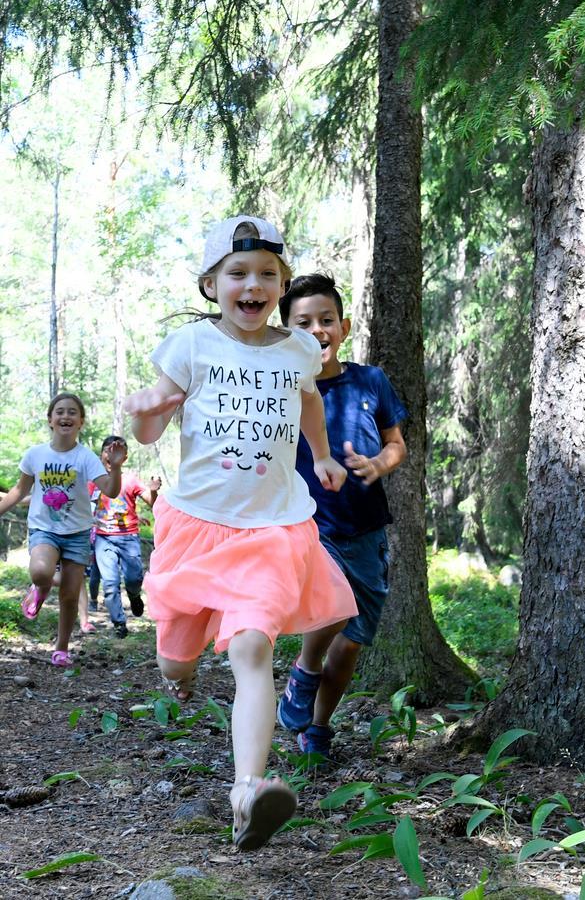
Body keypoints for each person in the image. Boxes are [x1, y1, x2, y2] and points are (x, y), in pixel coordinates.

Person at [124, 215, 358, 851]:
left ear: (280, 283)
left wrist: (325, 454)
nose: (252, 286)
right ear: (211, 283)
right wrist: (145, 415)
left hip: (272, 528)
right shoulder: (190, 347)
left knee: (253, 648)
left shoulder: (298, 350)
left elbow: (308, 399)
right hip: (197, 524)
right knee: (175, 658)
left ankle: (248, 790)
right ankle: (181, 671)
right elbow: (154, 425)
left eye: (266, 275)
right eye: (237, 274)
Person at [277, 273, 407, 757]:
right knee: (333, 605)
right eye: (303, 322)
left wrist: (379, 464)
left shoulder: (370, 381)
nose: (317, 330)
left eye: (326, 320)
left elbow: (398, 446)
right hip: (313, 525)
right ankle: (304, 670)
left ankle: (317, 727)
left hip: (367, 528)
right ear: (288, 332)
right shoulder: (285, 389)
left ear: (344, 326)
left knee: (352, 641)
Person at [0, 392, 125, 665]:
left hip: (78, 533)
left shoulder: (86, 457)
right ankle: (41, 588)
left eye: (72, 412)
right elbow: (20, 490)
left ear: (81, 421)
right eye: (60, 411)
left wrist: (115, 468)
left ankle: (62, 648)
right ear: (50, 420)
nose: (65, 416)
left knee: (70, 595)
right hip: (45, 529)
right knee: (41, 571)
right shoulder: (35, 454)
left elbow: (111, 490)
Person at [88, 436, 162, 639]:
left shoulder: (130, 480)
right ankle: (119, 623)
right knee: (110, 584)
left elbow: (151, 502)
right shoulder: (94, 481)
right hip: (104, 538)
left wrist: (154, 491)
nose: (111, 454)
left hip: (128, 537)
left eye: (117, 451)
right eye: (107, 450)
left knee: (133, 579)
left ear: (125, 456)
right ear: (101, 455)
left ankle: (134, 594)